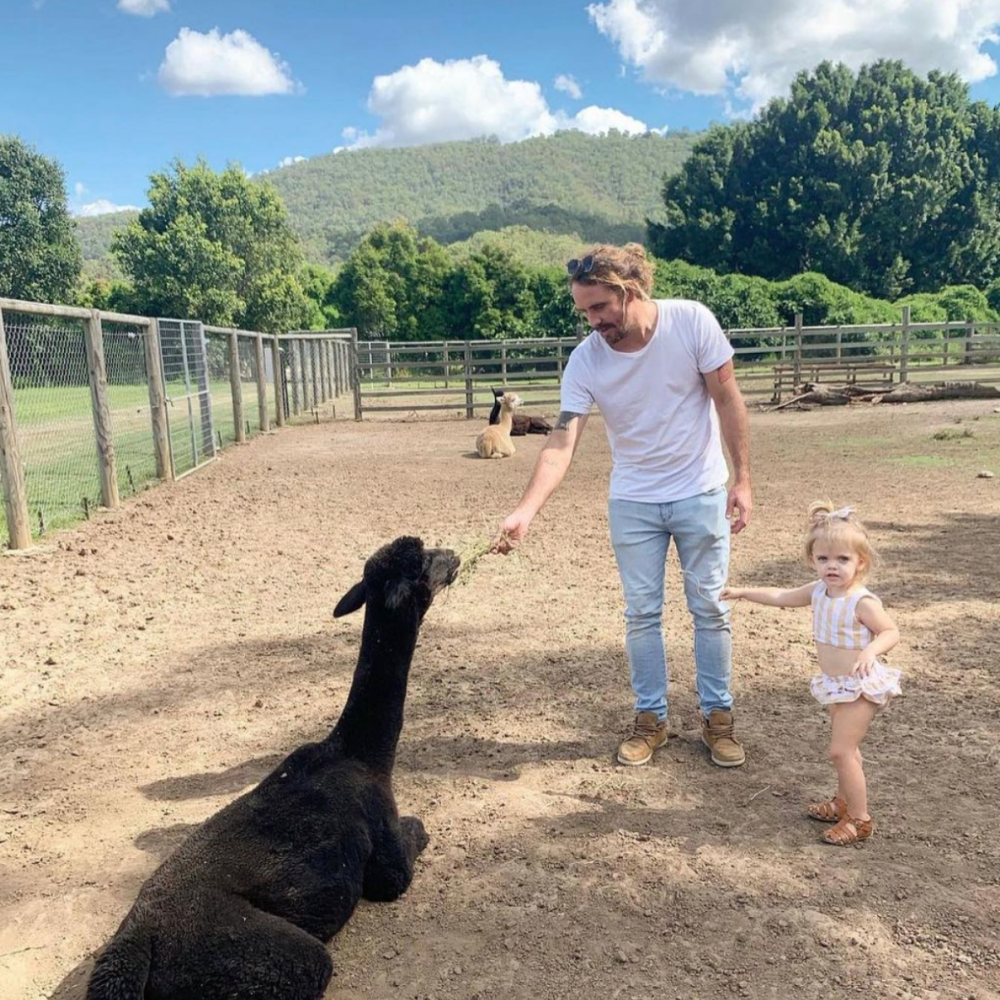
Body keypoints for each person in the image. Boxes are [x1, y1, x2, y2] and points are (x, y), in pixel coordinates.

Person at [491, 243, 752, 769]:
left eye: (600, 308)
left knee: (710, 607)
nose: (593, 322)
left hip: (700, 490)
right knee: (641, 614)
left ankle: (718, 719)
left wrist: (742, 479)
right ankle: (650, 720)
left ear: (629, 291)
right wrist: (525, 510)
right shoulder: (586, 359)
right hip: (633, 500)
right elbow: (561, 442)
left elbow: (728, 399)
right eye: (584, 311)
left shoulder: (692, 322)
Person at [722, 501, 901, 846]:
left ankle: (860, 818)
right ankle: (843, 802)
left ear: (860, 561)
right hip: (836, 685)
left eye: (842, 559)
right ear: (812, 560)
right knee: (848, 751)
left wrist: (870, 651)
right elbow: (782, 596)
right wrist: (743, 593)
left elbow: (890, 631)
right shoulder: (819, 591)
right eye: (823, 559)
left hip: (859, 686)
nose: (832, 566)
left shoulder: (861, 601)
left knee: (840, 751)